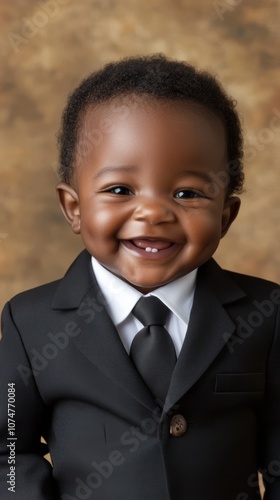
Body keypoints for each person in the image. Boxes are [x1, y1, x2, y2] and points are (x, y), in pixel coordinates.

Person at [0, 54, 279, 500]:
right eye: (120, 190)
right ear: (73, 208)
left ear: (226, 215)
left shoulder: (266, 314)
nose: (152, 212)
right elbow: (9, 450)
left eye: (187, 193)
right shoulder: (29, 322)